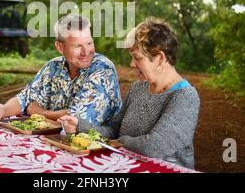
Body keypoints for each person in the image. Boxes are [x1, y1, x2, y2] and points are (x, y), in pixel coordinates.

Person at [59, 17, 200, 169]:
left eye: (137, 58)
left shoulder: (185, 97)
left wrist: (120, 141)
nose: (132, 64)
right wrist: (79, 125)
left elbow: (153, 147)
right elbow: (114, 130)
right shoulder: (137, 88)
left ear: (160, 58)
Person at [0, 14, 122, 125]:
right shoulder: (53, 66)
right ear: (60, 47)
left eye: (89, 43)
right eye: (77, 46)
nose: (86, 52)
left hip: (98, 147)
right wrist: (2, 110)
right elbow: (25, 98)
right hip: (57, 141)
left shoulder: (103, 68)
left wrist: (37, 112)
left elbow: (76, 119)